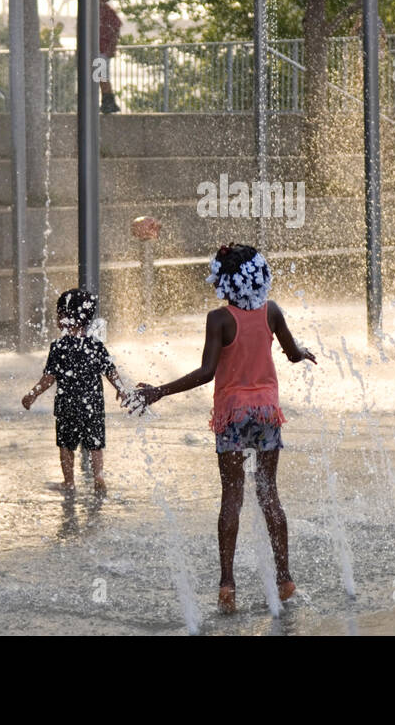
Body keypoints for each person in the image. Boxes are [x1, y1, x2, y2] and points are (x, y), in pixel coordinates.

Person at [136, 245, 316, 614]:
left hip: (232, 416)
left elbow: (206, 373)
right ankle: (285, 578)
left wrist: (159, 391)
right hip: (266, 413)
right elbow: (292, 353)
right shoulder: (272, 312)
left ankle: (227, 585)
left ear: (223, 280)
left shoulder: (219, 319)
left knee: (231, 497)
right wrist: (303, 351)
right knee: (269, 494)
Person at [22, 289, 124, 493]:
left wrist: (33, 394)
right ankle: (98, 477)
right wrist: (121, 389)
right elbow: (110, 370)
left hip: (67, 405)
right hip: (93, 405)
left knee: (66, 445)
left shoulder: (59, 346)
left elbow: (49, 378)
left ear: (67, 318)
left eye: (59, 315)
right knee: (95, 444)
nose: (57, 319)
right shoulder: (95, 345)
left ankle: (68, 482)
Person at [99, 0, 122, 113]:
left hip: (101, 50)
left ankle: (108, 102)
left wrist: (111, 48)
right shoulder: (101, 9)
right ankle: (107, 102)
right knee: (100, 76)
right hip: (99, 49)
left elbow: (116, 29)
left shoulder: (105, 11)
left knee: (101, 76)